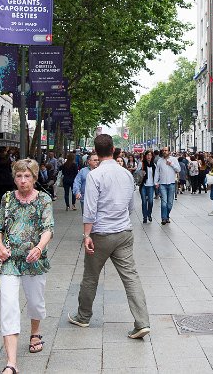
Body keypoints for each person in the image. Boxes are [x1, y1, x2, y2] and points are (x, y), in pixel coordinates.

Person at [68, 134, 150, 340]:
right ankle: (142, 322)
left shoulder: (95, 175)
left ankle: (84, 316)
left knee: (90, 277)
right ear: (114, 149)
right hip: (123, 232)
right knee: (131, 277)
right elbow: (131, 206)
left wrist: (87, 234)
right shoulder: (126, 174)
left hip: (101, 234)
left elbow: (90, 210)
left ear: (95, 150)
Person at [0, 158, 54, 374]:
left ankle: (35, 332)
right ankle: (11, 363)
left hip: (34, 261)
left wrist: (39, 248)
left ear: (35, 178)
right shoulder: (7, 199)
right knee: (8, 305)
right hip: (10, 261)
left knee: (36, 303)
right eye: (19, 176)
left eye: (27, 176)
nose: (23, 180)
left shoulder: (44, 200)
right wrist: (0, 247)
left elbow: (48, 228)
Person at [154, 147, 180, 224]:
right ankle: (163, 218)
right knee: (164, 202)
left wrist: (171, 164)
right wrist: (156, 182)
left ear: (169, 151)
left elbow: (178, 170)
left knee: (170, 203)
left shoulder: (174, 160)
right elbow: (157, 172)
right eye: (163, 150)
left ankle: (167, 216)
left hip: (171, 183)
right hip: (162, 184)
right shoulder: (159, 161)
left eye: (166, 150)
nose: (164, 152)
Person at [137, 151, 156, 223]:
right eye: (147, 155)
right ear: (145, 156)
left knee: (150, 201)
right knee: (144, 202)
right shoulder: (141, 164)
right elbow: (136, 173)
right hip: (143, 185)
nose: (149, 157)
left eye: (150, 155)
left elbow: (156, 175)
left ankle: (149, 214)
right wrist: (141, 172)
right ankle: (145, 217)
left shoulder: (154, 165)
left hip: (151, 186)